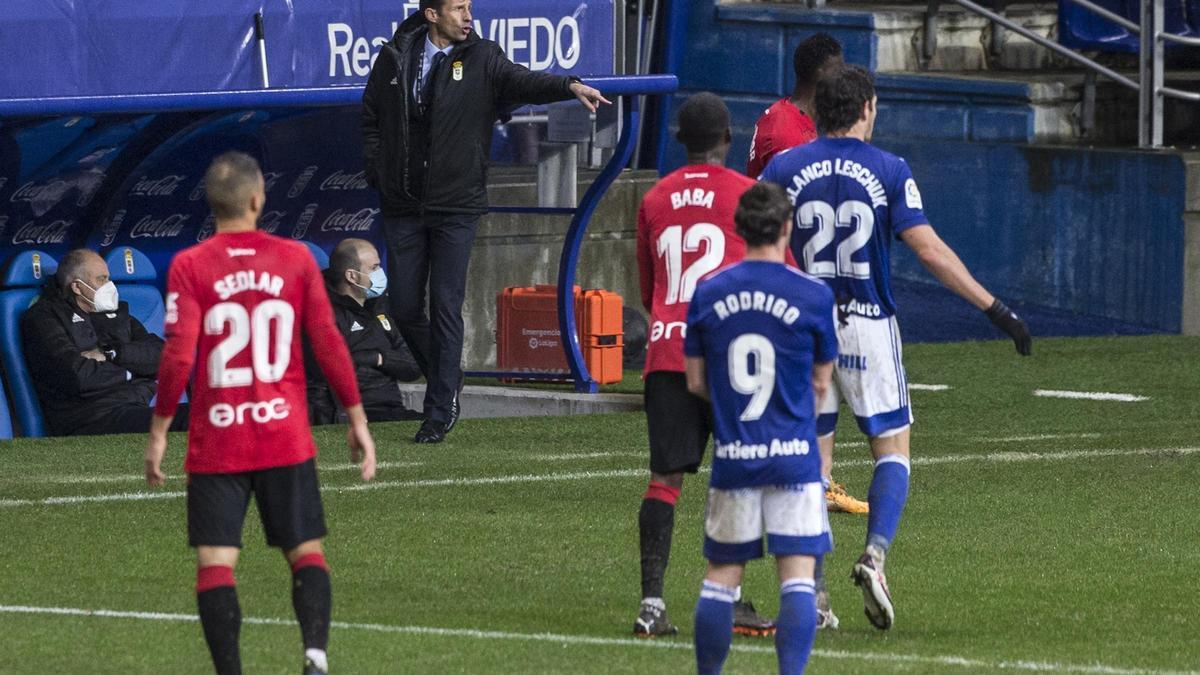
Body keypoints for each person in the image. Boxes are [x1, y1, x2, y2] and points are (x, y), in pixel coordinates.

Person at [759, 64, 1032, 631]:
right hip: (867, 324)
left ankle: (812, 591)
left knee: (815, 464)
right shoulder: (889, 169)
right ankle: (875, 556)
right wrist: (994, 309)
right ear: (867, 110)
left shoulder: (784, 167)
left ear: (815, 113)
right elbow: (929, 250)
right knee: (892, 449)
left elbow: (759, 248)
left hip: (802, 328)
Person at [143, 152, 377, 675]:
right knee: (305, 551)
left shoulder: (190, 264)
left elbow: (179, 353)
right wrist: (357, 418)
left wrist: (159, 431)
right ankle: (315, 656)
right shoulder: (294, 259)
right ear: (257, 199)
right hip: (283, 435)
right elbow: (328, 341)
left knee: (216, 563)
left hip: (218, 440)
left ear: (211, 203)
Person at [361, 0, 610, 443]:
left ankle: (438, 411)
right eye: (458, 8)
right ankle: (446, 375)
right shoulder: (395, 55)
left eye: (469, 7)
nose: (468, 16)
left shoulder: (483, 57)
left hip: (456, 203)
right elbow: (372, 118)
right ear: (432, 15)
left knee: (444, 304)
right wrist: (378, 170)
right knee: (402, 306)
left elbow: (523, 80)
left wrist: (569, 85)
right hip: (402, 203)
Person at [632, 92, 778, 638]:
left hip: (668, 349)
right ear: (727, 139)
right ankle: (731, 598)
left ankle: (651, 606)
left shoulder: (653, 200)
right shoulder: (749, 196)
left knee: (664, 480)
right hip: (730, 354)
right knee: (740, 472)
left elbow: (651, 290)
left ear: (679, 142)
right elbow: (775, 276)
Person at [684, 182, 836, 674]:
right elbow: (820, 382)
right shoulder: (813, 294)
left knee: (722, 576)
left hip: (736, 457)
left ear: (738, 229)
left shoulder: (709, 292)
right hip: (795, 453)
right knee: (797, 577)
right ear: (787, 228)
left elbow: (695, 381)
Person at [747, 34, 866, 517]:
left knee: (819, 383)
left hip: (798, 274)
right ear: (819, 76)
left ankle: (817, 480)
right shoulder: (787, 133)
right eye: (836, 70)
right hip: (788, 276)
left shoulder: (795, 121)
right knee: (802, 384)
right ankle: (798, 482)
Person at [21, 248, 186, 436]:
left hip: (132, 408)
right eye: (101, 279)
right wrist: (134, 370)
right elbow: (77, 376)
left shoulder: (116, 314)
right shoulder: (44, 317)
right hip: (89, 418)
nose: (109, 286)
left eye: (108, 278)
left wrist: (110, 353)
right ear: (77, 287)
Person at [306, 238, 422, 424]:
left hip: (392, 409)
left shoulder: (383, 307)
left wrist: (379, 358)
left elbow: (413, 368)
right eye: (374, 268)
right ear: (352, 276)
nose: (380, 274)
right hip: (348, 414)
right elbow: (330, 369)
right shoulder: (323, 313)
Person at [746, 33, 843, 179]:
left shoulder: (786, 113)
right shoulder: (788, 136)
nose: (843, 79)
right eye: (838, 72)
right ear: (819, 75)